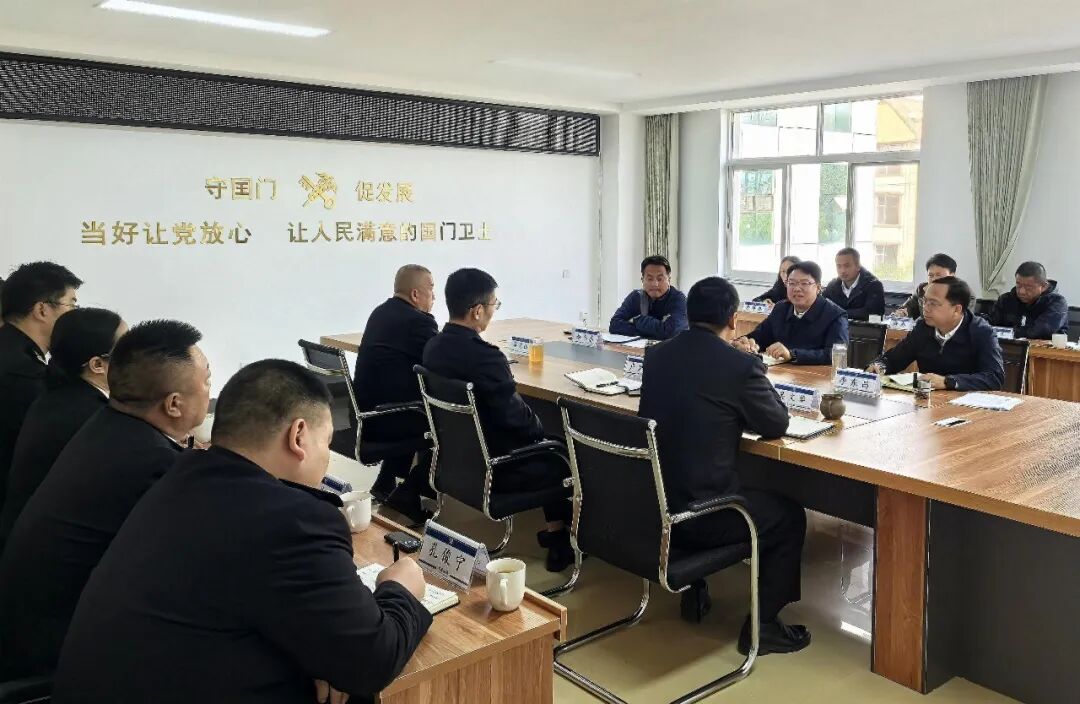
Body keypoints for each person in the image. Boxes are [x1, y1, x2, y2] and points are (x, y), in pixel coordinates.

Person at [52, 360, 431, 704]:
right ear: (299, 436)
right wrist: (400, 586)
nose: (326, 457)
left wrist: (329, 655)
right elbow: (371, 661)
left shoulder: (181, 475)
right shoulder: (292, 521)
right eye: (327, 442)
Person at [0, 320, 210, 676]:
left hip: (26, 622)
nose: (209, 389)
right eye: (207, 379)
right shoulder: (152, 463)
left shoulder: (106, 426)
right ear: (174, 404)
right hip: (56, 649)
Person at [639, 277, 810, 655]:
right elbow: (776, 423)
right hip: (703, 513)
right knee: (788, 515)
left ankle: (695, 585)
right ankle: (764, 625)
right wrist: (755, 369)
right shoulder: (739, 366)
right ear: (733, 319)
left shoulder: (658, 355)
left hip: (654, 500)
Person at [422, 268, 573, 571]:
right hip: (497, 468)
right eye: (494, 305)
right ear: (477, 311)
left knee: (548, 441)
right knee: (559, 452)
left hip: (457, 461)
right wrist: (542, 429)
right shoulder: (486, 357)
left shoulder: (432, 347)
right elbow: (519, 421)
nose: (493, 311)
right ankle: (560, 539)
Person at [0, 308, 126, 547]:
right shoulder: (92, 417)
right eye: (127, 350)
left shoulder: (56, 397)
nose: (138, 357)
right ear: (97, 364)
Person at [353, 265, 438, 515]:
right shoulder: (419, 322)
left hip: (364, 416)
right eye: (431, 289)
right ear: (415, 294)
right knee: (449, 423)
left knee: (410, 402)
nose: (434, 296)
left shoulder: (379, 313)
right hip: (389, 419)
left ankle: (385, 483)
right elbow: (442, 359)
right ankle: (408, 491)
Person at [0, 262, 82, 513]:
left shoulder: (13, 351)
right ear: (42, 310)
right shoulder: (24, 372)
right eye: (72, 305)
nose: (76, 315)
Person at [869, 277, 1004, 390]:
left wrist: (948, 381)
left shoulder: (981, 332)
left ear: (957, 310)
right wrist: (880, 367)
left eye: (933, 303)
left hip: (968, 405)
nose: (925, 308)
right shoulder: (922, 327)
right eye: (924, 301)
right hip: (928, 402)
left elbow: (994, 377)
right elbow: (895, 358)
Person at [741, 261, 849, 365]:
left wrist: (792, 355)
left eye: (804, 283)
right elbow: (760, 336)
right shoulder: (781, 308)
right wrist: (746, 343)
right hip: (779, 371)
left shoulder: (835, 315)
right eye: (791, 283)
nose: (797, 288)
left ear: (818, 288)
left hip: (815, 375)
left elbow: (835, 355)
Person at [608, 255, 688, 340]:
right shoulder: (636, 297)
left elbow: (670, 332)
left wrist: (638, 320)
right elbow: (614, 325)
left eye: (660, 279)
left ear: (669, 280)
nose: (655, 284)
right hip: (640, 348)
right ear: (642, 280)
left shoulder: (679, 299)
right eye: (650, 279)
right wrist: (655, 331)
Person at [985, 261, 1068, 340]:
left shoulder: (1057, 302)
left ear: (1044, 286)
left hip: (1043, 349)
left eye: (1028, 287)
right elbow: (990, 324)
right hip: (1007, 347)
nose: (1022, 291)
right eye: (1018, 285)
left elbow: (1040, 331)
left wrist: (1006, 333)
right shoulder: (1006, 299)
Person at [822, 247, 885, 321]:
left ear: (858, 266)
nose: (842, 271)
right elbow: (821, 307)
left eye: (847, 266)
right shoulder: (832, 286)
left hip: (863, 328)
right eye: (839, 266)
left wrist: (839, 313)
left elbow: (875, 315)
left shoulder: (874, 285)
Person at [894, 253, 957, 319]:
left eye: (939, 275)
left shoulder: (959, 295)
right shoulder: (922, 289)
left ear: (952, 276)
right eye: (931, 275)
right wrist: (902, 313)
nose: (934, 279)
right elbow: (908, 307)